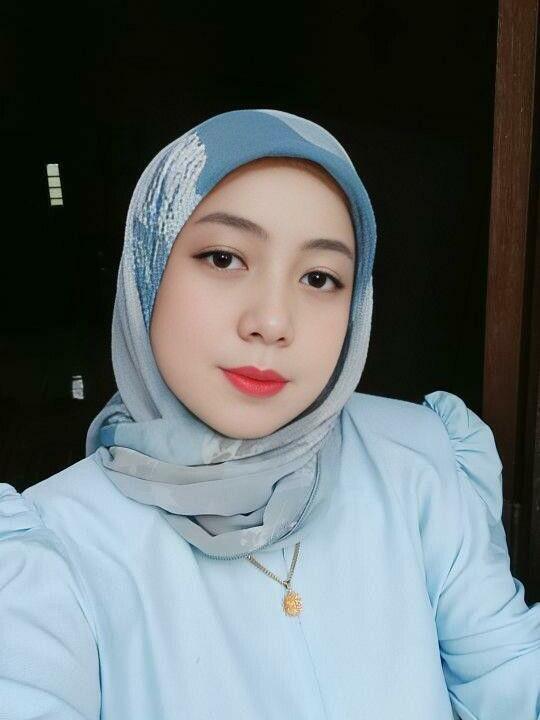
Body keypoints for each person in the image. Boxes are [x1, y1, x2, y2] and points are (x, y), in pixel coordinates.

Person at [0, 108, 539, 720]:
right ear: (147, 270)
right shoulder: (52, 552)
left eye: (320, 277)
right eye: (224, 259)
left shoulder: (419, 462)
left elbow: (509, 677)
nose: (273, 322)